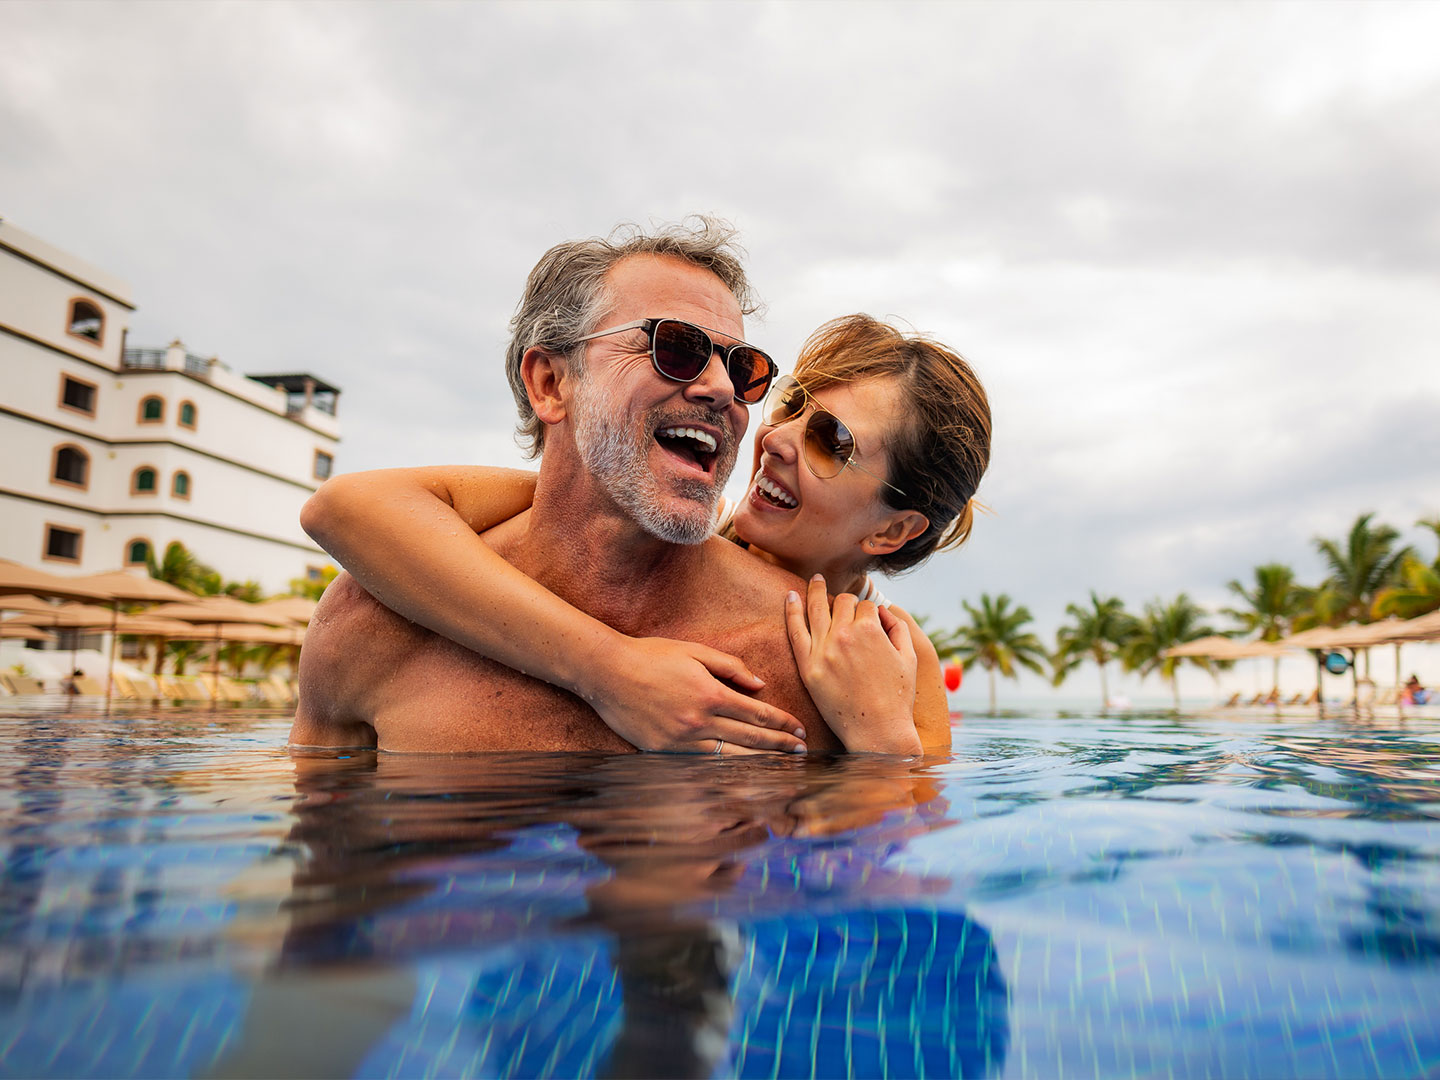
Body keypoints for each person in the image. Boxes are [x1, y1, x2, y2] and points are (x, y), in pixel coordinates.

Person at [299, 251, 990, 754]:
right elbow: (348, 507)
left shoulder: (869, 668)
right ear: (550, 383)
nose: (770, 430)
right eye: (676, 349)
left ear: (895, 528)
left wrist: (884, 750)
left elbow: (895, 902)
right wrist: (607, 669)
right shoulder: (384, 615)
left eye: (742, 368)